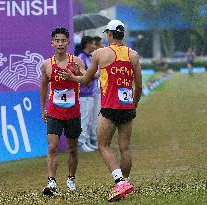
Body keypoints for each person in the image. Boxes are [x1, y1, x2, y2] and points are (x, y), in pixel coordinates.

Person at [60, 20, 142, 202]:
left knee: (103, 145)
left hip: (109, 106)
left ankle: (120, 182)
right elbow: (140, 87)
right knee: (125, 147)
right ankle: (125, 183)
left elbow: (87, 79)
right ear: (123, 35)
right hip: (127, 106)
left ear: (109, 34)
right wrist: (133, 107)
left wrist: (73, 76)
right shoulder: (134, 55)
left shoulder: (100, 53)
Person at [40, 27, 85, 196]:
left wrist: (74, 77)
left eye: (63, 40)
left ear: (68, 42)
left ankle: (71, 179)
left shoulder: (76, 62)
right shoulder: (46, 64)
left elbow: (88, 79)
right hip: (54, 111)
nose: (60, 44)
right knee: (52, 147)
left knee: (72, 149)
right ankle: (51, 181)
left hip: (73, 112)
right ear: (52, 43)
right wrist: (42, 108)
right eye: (57, 41)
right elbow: (43, 86)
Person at [77, 36, 99, 152]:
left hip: (90, 93)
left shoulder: (89, 57)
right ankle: (81, 143)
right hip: (84, 94)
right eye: (93, 44)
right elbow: (85, 74)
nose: (95, 46)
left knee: (89, 119)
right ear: (87, 44)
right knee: (84, 119)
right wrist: (95, 75)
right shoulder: (81, 58)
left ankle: (86, 141)